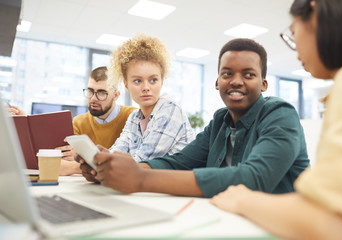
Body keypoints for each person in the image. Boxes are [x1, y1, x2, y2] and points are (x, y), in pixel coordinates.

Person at [79, 37, 309, 198]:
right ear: (217, 82)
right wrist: (110, 170)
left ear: (264, 84)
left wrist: (139, 178)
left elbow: (255, 178)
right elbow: (178, 162)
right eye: (227, 74)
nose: (236, 81)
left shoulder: (280, 114)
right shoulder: (220, 121)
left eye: (249, 75)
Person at [210, 0, 342, 239]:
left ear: (315, 13)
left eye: (292, 33)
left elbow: (335, 223)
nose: (295, 47)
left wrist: (245, 200)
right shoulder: (219, 120)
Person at [105, 34, 194, 162]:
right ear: (126, 85)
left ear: (162, 81)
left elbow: (142, 161)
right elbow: (117, 151)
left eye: (153, 80)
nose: (146, 87)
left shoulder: (170, 109)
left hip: (175, 181)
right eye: (137, 81)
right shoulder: (134, 118)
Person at [58, 66, 136, 175]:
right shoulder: (79, 122)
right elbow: (67, 160)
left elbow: (135, 161)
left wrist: (82, 160)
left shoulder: (134, 117)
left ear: (116, 95)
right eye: (90, 91)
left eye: (101, 93)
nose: (93, 98)